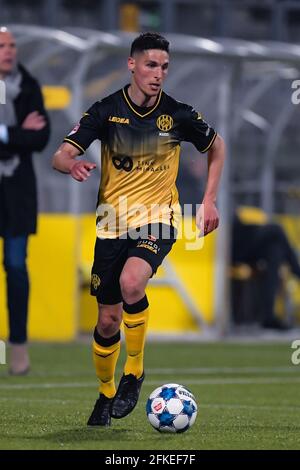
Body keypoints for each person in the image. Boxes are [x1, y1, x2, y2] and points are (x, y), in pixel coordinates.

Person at [52, 32, 225, 426]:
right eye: (151, 65)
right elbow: (61, 154)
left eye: (164, 67)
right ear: (132, 65)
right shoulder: (106, 111)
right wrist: (72, 164)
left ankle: (134, 372)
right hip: (112, 225)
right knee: (107, 320)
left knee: (134, 283)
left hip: (159, 219)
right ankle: (105, 394)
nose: (158, 74)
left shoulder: (179, 114)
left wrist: (210, 199)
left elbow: (217, 146)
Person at [0, 27, 50, 374]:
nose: (8, 51)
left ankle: (17, 347)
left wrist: (6, 135)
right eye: (2, 45)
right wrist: (16, 133)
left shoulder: (28, 86)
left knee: (16, 267)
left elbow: (41, 137)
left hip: (17, 193)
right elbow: (27, 136)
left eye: (12, 45)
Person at [232, 210, 300, 329]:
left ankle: (268, 317)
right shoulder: (204, 198)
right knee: (276, 229)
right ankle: (297, 271)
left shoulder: (216, 196)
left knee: (275, 252)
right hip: (231, 245)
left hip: (241, 239)